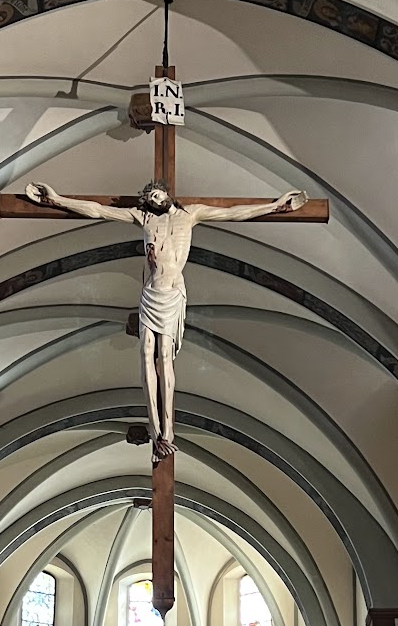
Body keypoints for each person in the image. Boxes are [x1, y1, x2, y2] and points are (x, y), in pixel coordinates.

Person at [24, 178, 306, 458]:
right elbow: (98, 210)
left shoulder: (191, 214)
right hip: (150, 293)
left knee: (164, 358)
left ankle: (168, 431)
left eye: (158, 195)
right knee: (146, 355)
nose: (157, 200)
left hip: (171, 294)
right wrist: (57, 200)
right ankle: (155, 426)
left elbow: (233, 213)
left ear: (167, 193)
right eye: (152, 199)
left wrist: (275, 207)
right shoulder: (144, 218)